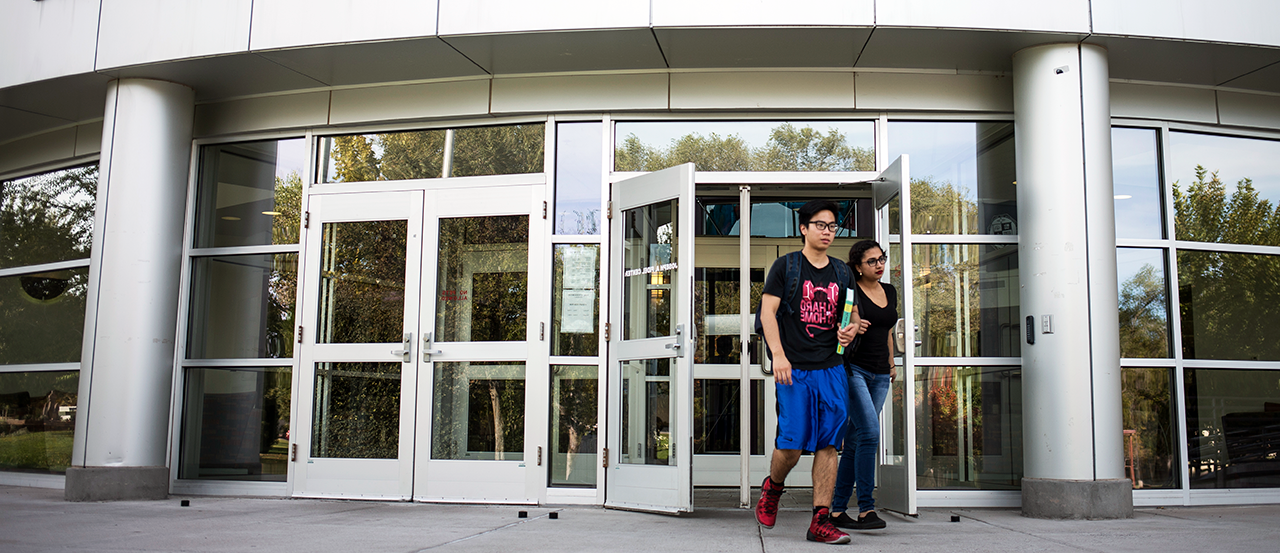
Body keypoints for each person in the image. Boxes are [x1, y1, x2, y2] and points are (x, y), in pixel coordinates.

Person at [755, 200, 860, 545]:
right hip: (794, 370)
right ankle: (773, 487)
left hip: (831, 369)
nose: (827, 231)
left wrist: (850, 330)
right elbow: (767, 314)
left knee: (829, 444)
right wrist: (779, 356)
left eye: (832, 226)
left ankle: (820, 520)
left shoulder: (843, 272)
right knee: (792, 446)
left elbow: (852, 316)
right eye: (820, 225)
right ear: (804, 228)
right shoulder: (787, 267)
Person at [830, 240, 898, 531]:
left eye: (881, 259)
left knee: (857, 439)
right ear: (858, 267)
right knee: (870, 433)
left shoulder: (890, 291)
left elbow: (889, 331)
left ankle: (836, 510)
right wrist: (855, 325)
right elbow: (839, 327)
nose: (879, 264)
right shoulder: (850, 291)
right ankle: (867, 508)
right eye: (872, 261)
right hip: (853, 368)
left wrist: (893, 363)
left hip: (881, 373)